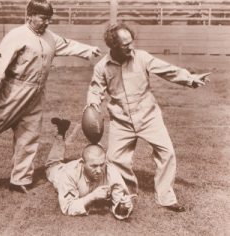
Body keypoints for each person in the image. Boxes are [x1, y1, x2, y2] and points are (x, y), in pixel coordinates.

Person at [0, 0, 101, 193]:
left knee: (29, 134)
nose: (47, 23)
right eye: (43, 18)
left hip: (36, 93)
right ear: (30, 16)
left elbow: (67, 45)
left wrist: (88, 50)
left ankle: (20, 179)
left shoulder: (50, 37)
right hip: (12, 91)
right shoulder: (17, 35)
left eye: (49, 19)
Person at [86, 23, 210, 212]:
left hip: (149, 116)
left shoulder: (142, 57)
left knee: (166, 152)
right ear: (114, 46)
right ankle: (126, 193)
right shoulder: (102, 67)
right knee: (114, 159)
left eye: (131, 42)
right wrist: (93, 104)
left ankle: (166, 197)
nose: (131, 47)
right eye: (125, 44)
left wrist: (190, 79)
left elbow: (167, 70)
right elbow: (95, 89)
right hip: (121, 121)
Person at [46, 118, 136, 220]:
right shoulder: (69, 173)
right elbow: (67, 208)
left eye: (101, 164)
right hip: (60, 172)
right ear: (82, 163)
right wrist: (92, 197)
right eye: (94, 166)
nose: (99, 170)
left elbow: (119, 203)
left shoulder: (111, 171)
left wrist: (124, 207)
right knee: (52, 165)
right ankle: (60, 134)